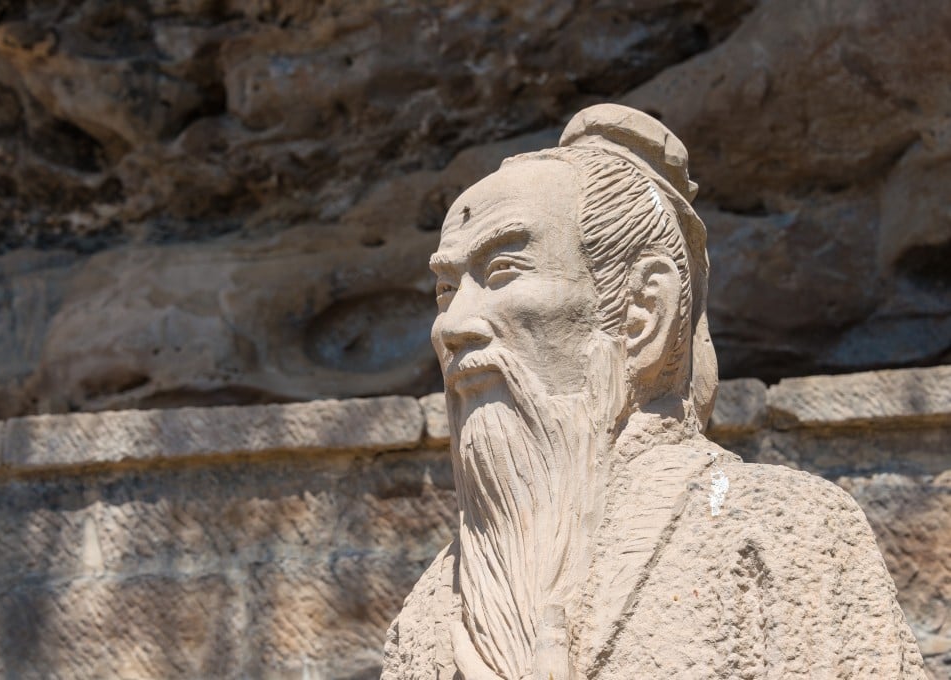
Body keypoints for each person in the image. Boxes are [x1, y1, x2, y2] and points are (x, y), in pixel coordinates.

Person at [381, 104, 925, 679]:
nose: (451, 325)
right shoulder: (431, 609)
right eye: (445, 290)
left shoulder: (782, 532)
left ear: (644, 312)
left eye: (503, 272)